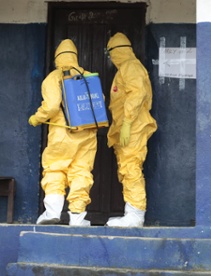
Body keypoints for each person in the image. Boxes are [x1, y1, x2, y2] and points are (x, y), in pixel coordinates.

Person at [28, 39, 97, 226]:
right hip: (87, 133)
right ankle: (77, 217)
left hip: (61, 133)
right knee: (81, 171)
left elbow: (51, 106)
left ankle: (52, 212)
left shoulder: (53, 77)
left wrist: (36, 117)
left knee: (55, 168)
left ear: (57, 57)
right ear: (75, 56)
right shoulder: (89, 77)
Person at [105, 32, 158, 227]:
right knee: (128, 167)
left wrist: (127, 122)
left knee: (131, 167)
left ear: (116, 51)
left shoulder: (130, 67)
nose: (110, 58)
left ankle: (135, 214)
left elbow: (137, 94)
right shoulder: (125, 69)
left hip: (134, 125)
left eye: (110, 53)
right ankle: (131, 212)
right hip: (128, 126)